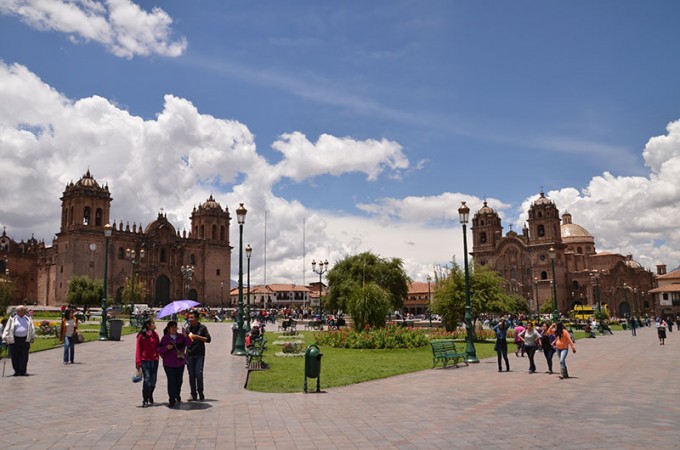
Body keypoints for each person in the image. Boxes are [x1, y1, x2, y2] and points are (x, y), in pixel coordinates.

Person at [158, 321, 190, 407]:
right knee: (171, 380)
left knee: (179, 380)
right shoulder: (165, 338)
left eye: (175, 327)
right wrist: (166, 347)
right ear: (168, 329)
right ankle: (171, 399)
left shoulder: (181, 337)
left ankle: (177, 394)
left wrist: (186, 336)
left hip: (180, 363)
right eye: (172, 327)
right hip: (168, 363)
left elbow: (189, 344)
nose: (174, 329)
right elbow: (159, 350)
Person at [1, 305, 37, 376]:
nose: (25, 311)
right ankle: (17, 371)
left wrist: (32, 336)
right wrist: (5, 338)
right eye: (23, 310)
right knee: (14, 356)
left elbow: (31, 328)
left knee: (24, 356)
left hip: (24, 339)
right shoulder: (12, 319)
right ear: (19, 311)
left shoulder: (27, 318)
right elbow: (7, 328)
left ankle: (23, 371)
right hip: (15, 339)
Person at [185, 310, 212, 401]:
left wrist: (197, 337)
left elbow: (208, 339)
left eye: (192, 318)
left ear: (196, 318)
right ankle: (193, 394)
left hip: (199, 354)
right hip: (189, 354)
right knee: (191, 374)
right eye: (189, 318)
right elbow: (185, 342)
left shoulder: (202, 328)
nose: (190, 319)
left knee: (198, 373)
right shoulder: (187, 329)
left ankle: (200, 391)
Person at [135, 318, 160, 407]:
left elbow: (158, 347)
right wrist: (138, 362)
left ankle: (150, 394)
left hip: (154, 360)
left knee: (153, 380)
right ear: (148, 325)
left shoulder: (155, 335)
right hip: (145, 360)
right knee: (147, 378)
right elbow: (138, 349)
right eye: (152, 323)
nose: (154, 324)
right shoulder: (142, 336)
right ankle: (145, 399)